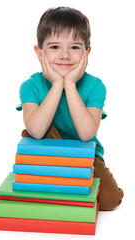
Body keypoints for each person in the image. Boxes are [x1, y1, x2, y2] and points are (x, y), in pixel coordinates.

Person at [16, 7, 124, 210]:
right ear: (39, 53)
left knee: (109, 200)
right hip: (46, 148)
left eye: (74, 47)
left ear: (86, 52)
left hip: (86, 153)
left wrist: (70, 85)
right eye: (54, 47)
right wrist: (56, 84)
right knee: (37, 130)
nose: (64, 55)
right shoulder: (30, 85)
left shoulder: (95, 86)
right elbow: (36, 131)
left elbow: (85, 134)